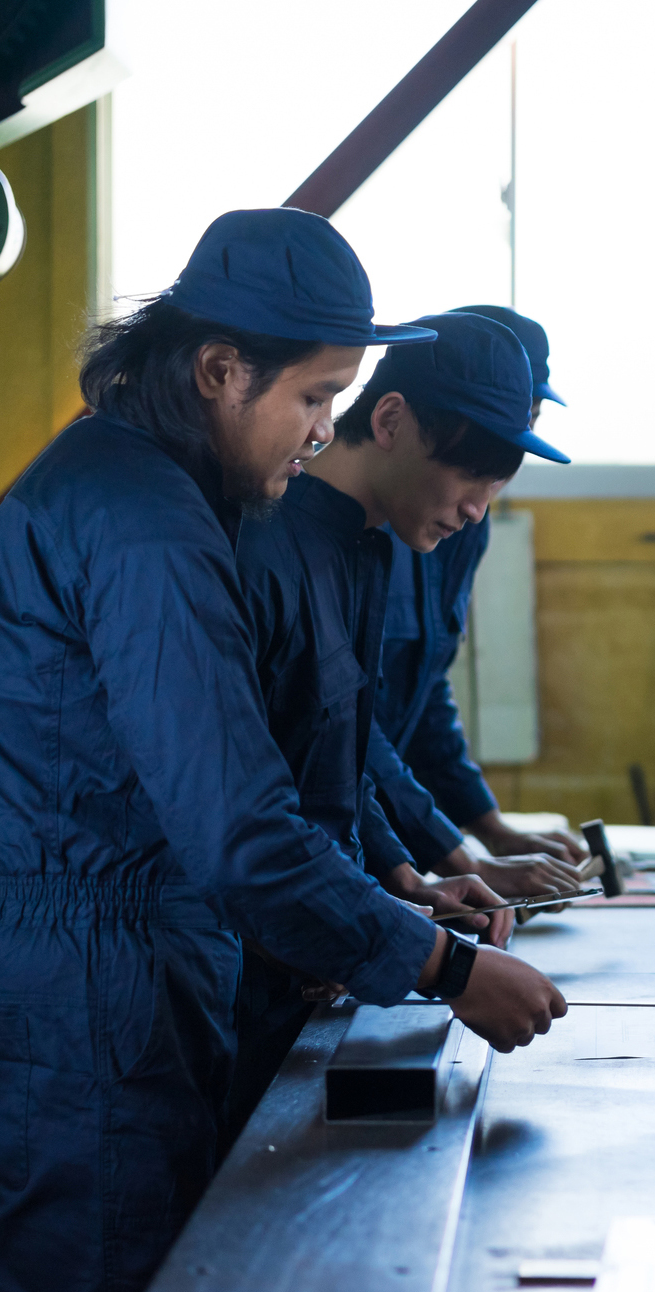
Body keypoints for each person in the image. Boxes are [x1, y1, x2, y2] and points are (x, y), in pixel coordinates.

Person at [0, 210, 566, 1292]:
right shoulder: (142, 524)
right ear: (221, 371)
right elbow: (239, 826)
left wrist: (390, 899)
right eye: (314, 399)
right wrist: (441, 966)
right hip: (86, 994)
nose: (323, 432)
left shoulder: (153, 492)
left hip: (123, 971)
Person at [226, 310, 563, 1141]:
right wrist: (440, 963)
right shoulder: (268, 546)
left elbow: (339, 747)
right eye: (471, 478)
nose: (479, 512)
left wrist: (404, 878)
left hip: (312, 947)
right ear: (388, 420)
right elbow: (256, 810)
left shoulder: (365, 547)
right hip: (238, 968)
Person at [368, 304, 588, 895]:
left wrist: (487, 828)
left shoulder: (463, 524)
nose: (479, 501)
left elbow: (423, 685)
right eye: (479, 455)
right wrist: (459, 859)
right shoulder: (355, 531)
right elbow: (345, 733)